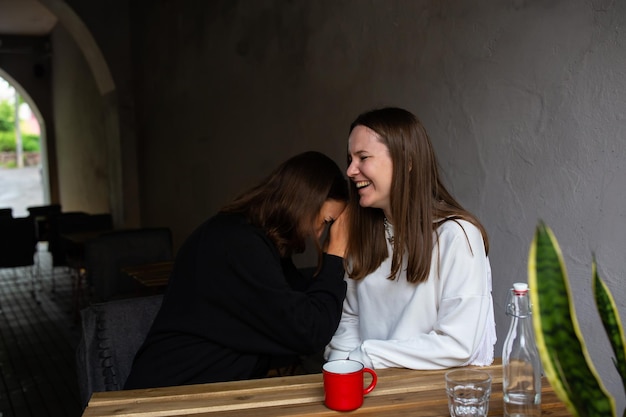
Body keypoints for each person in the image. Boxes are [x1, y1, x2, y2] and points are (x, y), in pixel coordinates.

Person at [125, 151, 350, 389]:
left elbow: (307, 306)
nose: (320, 234)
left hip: (207, 390)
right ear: (305, 204)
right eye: (326, 222)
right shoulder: (239, 244)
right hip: (169, 394)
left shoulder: (256, 238)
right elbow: (309, 332)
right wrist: (334, 254)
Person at [325, 107, 496, 370]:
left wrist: (364, 357)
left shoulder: (457, 236)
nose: (350, 170)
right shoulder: (364, 236)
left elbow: (457, 344)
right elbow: (350, 322)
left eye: (363, 157)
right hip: (368, 391)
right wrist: (340, 370)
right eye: (350, 158)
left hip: (431, 397)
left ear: (407, 161)